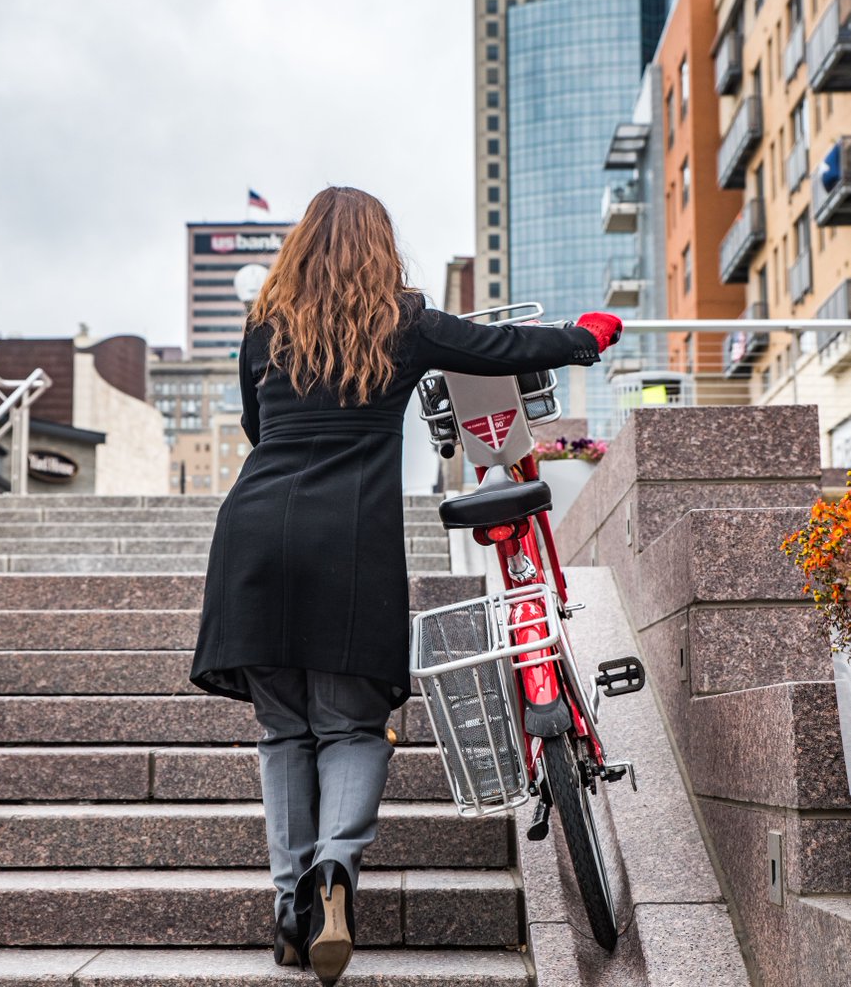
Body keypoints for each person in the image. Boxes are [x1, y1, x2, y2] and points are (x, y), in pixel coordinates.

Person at [189, 186, 622, 986]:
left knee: (284, 732)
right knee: (351, 727)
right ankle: (334, 875)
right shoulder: (404, 320)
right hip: (346, 543)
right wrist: (586, 336)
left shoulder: (264, 328)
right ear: (379, 247)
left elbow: (256, 426)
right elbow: (503, 351)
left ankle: (292, 909)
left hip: (252, 533)